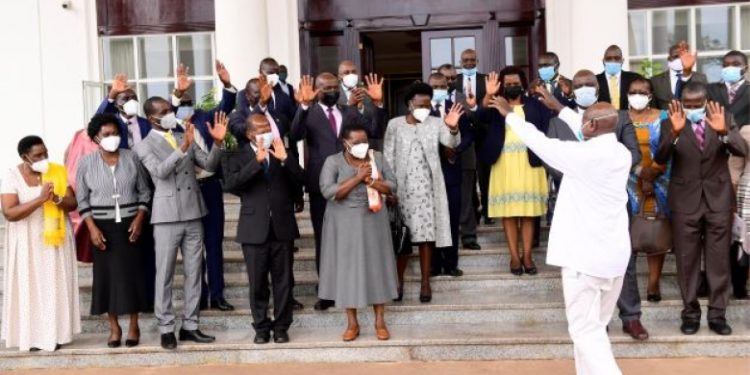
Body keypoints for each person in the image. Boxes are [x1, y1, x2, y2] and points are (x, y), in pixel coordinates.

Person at [488, 97, 631, 375]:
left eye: (585, 121)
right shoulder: (620, 152)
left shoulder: (582, 157)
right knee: (595, 329)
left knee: (583, 331)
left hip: (585, 259)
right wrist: (561, 109)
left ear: (591, 125)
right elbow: (588, 125)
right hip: (613, 257)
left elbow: (540, 142)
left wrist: (509, 116)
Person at [533, 70, 646, 341]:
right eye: (580, 85)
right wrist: (577, 171)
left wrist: (592, 169)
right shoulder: (560, 117)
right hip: (576, 203)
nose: (585, 88)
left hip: (611, 202)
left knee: (622, 263)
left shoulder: (615, 115)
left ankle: (631, 317)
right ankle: (596, 322)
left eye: (590, 84)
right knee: (585, 266)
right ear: (572, 89)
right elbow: (552, 157)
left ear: (598, 87)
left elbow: (632, 153)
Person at [133, 97, 228, 350]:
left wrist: (217, 143)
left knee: (194, 271)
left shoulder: (183, 133)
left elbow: (208, 164)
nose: (169, 114)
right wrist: (183, 148)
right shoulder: (143, 145)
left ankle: (190, 325)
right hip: (166, 216)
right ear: (151, 117)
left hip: (194, 211)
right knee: (164, 274)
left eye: (170, 110)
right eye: (163, 112)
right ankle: (166, 328)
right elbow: (160, 172)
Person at [655, 82, 748, 336]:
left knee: (719, 260)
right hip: (685, 201)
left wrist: (723, 133)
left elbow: (742, 150)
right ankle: (690, 314)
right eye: (689, 105)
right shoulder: (671, 121)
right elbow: (660, 158)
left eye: (698, 105)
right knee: (687, 261)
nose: (693, 110)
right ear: (682, 103)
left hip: (718, 200)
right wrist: (673, 134)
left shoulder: (723, 117)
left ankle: (718, 314)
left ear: (707, 102)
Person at [289, 73, 386, 311]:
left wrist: (377, 104)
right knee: (325, 238)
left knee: (354, 238)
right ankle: (328, 291)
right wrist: (303, 105)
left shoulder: (349, 110)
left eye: (335, 87)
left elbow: (374, 130)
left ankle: (359, 284)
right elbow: (295, 135)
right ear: (317, 89)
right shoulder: (308, 111)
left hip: (356, 184)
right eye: (327, 88)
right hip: (322, 185)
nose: (332, 91)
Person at [222, 114, 303, 345]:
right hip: (253, 228)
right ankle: (261, 327)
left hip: (282, 226)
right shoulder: (238, 154)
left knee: (284, 281)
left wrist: (286, 160)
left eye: (268, 127)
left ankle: (281, 327)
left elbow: (301, 181)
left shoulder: (281, 149)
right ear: (249, 134)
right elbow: (230, 184)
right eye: (260, 129)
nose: (266, 131)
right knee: (257, 283)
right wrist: (255, 162)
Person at [76, 114, 152, 348]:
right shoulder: (86, 163)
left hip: (131, 225)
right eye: (106, 135)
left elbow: (145, 192)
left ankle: (133, 325)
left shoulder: (132, 158)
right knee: (106, 279)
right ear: (96, 137)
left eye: (115, 133)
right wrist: (91, 228)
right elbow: (82, 199)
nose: (112, 138)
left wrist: (140, 219)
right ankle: (114, 327)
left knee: (133, 276)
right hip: (101, 227)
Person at [318, 124, 399, 341]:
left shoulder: (377, 158)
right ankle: (352, 323)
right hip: (343, 223)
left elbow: (392, 185)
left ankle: (380, 321)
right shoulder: (332, 162)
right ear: (345, 143)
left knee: (377, 267)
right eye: (356, 143)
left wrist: (372, 180)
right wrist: (358, 177)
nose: (362, 146)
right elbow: (328, 191)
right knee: (348, 271)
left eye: (365, 142)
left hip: (374, 221)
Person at [384, 82, 462, 303]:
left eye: (428, 105)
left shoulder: (436, 123)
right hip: (401, 191)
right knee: (402, 238)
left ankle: (425, 283)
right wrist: (388, 190)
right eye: (420, 104)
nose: (424, 109)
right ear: (409, 104)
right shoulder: (395, 125)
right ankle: (397, 282)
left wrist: (453, 127)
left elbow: (450, 142)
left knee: (426, 238)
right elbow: (388, 157)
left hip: (428, 190)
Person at [1, 136, 80, 352]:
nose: (44, 158)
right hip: (27, 242)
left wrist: (55, 199)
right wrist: (40, 199)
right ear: (24, 157)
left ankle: (55, 335)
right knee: (31, 288)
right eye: (38, 155)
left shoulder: (56, 170)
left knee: (53, 286)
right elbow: (9, 213)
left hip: (55, 241)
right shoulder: (12, 176)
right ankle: (32, 337)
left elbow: (72, 203)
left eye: (45, 153)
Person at [171, 61, 237, 312]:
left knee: (213, 241)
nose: (185, 106)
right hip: (186, 190)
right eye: (180, 102)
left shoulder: (205, 117)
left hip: (209, 187)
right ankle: (198, 294)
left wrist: (227, 85)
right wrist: (178, 91)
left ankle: (217, 294)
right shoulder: (168, 125)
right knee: (192, 245)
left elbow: (226, 107)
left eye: (188, 102)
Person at [479, 68, 551, 276]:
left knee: (528, 214)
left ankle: (527, 256)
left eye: (515, 82)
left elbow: (546, 128)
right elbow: (480, 115)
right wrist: (489, 95)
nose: (512, 86)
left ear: (522, 83)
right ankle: (514, 256)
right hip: (503, 164)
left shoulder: (534, 105)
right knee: (509, 214)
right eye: (508, 83)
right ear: (502, 85)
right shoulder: (495, 104)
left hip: (530, 163)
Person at [625, 77, 671, 309]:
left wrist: (652, 175)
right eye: (634, 91)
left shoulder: (663, 117)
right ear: (627, 94)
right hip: (627, 181)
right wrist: (641, 174)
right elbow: (617, 148)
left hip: (660, 180)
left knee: (655, 230)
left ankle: (653, 283)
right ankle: (628, 286)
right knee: (628, 233)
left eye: (643, 91)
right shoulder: (620, 117)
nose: (638, 95)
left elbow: (668, 147)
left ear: (651, 95)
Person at [708, 50, 750, 299]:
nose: (730, 68)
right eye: (726, 65)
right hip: (713, 159)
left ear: (745, 67)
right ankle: (708, 281)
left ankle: (738, 282)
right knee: (715, 227)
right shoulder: (711, 90)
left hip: (742, 162)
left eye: (735, 64)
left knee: (740, 226)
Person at [428, 72, 474, 277]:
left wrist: (455, 149)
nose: (439, 89)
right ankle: (434, 264)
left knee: (452, 219)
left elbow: (469, 134)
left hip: (452, 173)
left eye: (442, 86)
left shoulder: (455, 108)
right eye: (434, 86)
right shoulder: (421, 110)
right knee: (433, 221)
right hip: (429, 176)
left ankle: (451, 263)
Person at [439, 63, 480, 250]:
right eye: (445, 78)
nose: (449, 81)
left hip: (465, 155)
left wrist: (472, 108)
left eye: (453, 78)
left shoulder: (467, 99)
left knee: (466, 199)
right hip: (440, 158)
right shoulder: (430, 101)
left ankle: (469, 236)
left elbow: (474, 128)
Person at [455, 49, 492, 225]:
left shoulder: (485, 80)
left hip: (484, 133)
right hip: (463, 135)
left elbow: (490, 105)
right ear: (460, 62)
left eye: (471, 60)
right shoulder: (454, 81)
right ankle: (473, 213)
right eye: (465, 60)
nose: (468, 63)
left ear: (477, 61)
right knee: (467, 176)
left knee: (485, 175)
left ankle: (488, 212)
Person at [336, 60, 387, 148]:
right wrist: (349, 105)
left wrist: (375, 103)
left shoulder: (370, 91)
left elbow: (378, 126)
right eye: (346, 72)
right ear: (339, 76)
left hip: (368, 146)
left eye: (353, 72)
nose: (351, 75)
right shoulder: (334, 93)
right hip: (343, 148)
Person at [95, 73, 152, 149]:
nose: (131, 101)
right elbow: (97, 120)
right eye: (126, 99)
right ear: (116, 104)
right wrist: (112, 94)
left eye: (134, 98)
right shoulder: (112, 123)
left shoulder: (147, 124)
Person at [651, 41, 707, 110]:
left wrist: (687, 72)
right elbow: (653, 108)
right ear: (669, 59)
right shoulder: (655, 81)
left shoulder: (700, 78)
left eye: (683, 56)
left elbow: (705, 103)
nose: (680, 59)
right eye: (676, 56)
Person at [596, 45, 644, 110]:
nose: (613, 61)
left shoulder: (634, 78)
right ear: (603, 61)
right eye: (609, 59)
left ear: (622, 60)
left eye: (617, 58)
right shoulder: (595, 80)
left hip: (628, 118)